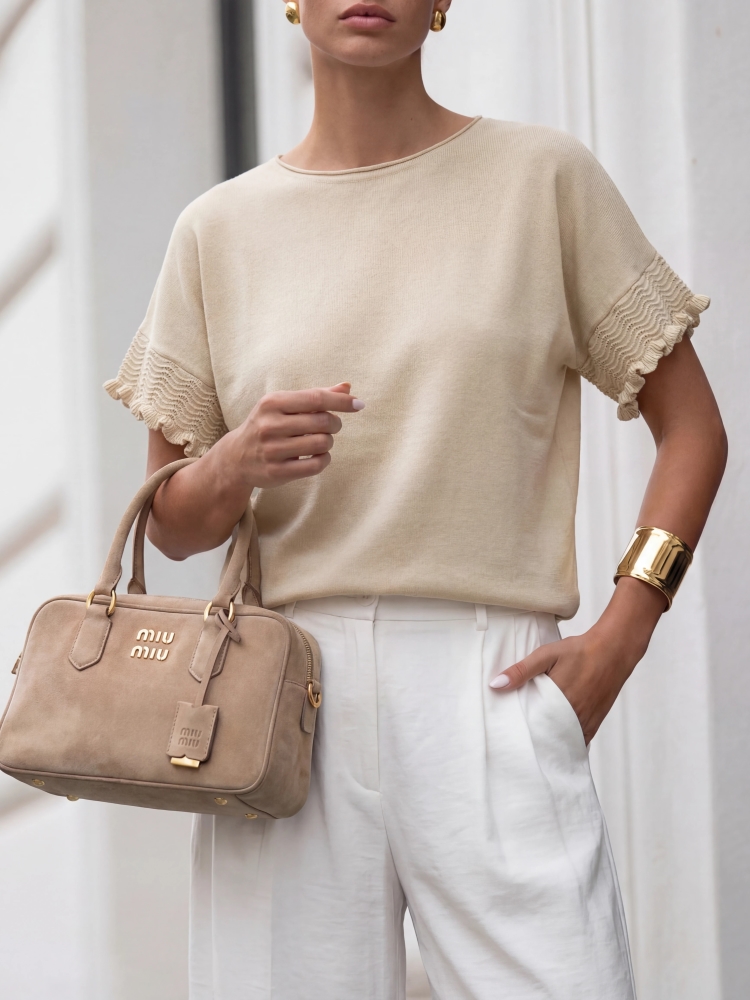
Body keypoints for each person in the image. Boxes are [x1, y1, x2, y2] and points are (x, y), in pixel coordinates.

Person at [105, 2, 727, 997]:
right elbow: (173, 523)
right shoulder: (217, 231)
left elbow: (692, 428)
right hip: (285, 698)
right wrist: (236, 462)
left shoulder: (543, 181)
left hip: (491, 680)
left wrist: (623, 635)